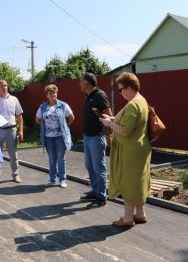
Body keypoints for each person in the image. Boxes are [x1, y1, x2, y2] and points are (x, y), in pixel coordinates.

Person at [100, 72, 151, 227]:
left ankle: (128, 219)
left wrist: (109, 124)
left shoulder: (133, 105)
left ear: (129, 88)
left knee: (128, 182)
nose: (120, 93)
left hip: (130, 150)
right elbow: (129, 122)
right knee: (138, 181)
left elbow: (125, 130)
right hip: (140, 148)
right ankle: (140, 214)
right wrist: (112, 119)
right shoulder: (140, 100)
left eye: (121, 89)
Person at [79, 72, 113, 209]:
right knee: (89, 165)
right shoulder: (88, 96)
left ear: (87, 83)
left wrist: (109, 136)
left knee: (99, 168)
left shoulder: (100, 95)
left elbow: (109, 117)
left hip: (97, 137)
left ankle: (101, 197)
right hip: (87, 137)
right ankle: (95, 191)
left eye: (81, 81)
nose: (79, 84)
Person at [36, 84, 75, 188]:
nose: (53, 94)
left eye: (54, 92)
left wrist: (64, 126)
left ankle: (62, 180)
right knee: (52, 158)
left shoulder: (63, 105)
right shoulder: (43, 107)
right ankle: (52, 179)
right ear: (47, 95)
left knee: (60, 157)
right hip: (48, 137)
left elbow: (71, 118)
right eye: (50, 93)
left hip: (60, 137)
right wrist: (47, 127)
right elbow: (38, 119)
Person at [0, 79, 24, 184]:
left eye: (6, 85)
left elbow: (19, 115)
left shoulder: (14, 99)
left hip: (11, 130)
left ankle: (16, 174)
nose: (4, 88)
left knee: (13, 154)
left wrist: (21, 131)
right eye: (2, 86)